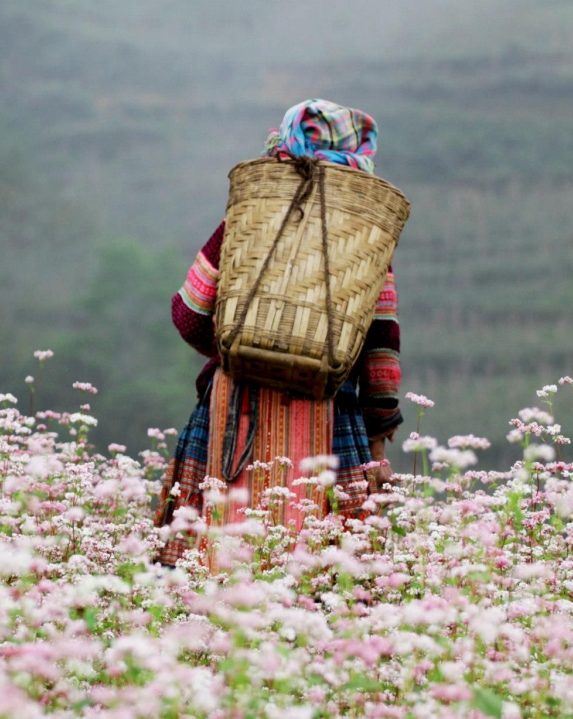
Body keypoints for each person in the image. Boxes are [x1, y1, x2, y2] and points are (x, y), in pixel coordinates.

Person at [154, 99, 402, 568]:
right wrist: (376, 446)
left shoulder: (247, 218)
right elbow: (381, 353)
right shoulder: (368, 238)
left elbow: (189, 312)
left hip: (234, 409)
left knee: (211, 563)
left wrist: (242, 351)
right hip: (331, 413)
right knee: (327, 575)